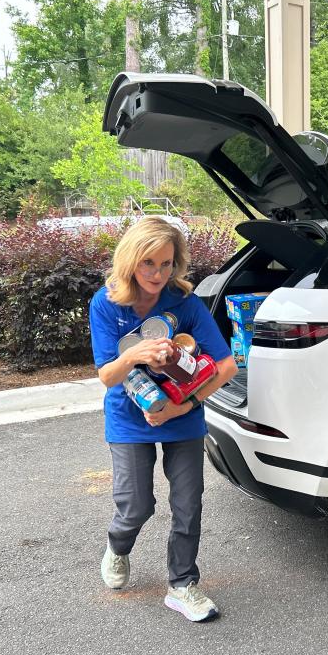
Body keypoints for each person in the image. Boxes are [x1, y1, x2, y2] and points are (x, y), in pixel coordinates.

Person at [88, 215, 237, 622]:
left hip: (182, 412)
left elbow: (226, 367)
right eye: (148, 263)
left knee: (188, 504)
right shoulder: (106, 303)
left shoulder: (183, 303)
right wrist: (136, 353)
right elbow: (107, 376)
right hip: (129, 416)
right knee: (136, 506)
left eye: (167, 263)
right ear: (131, 261)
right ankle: (118, 546)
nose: (158, 273)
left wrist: (182, 407)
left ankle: (183, 585)